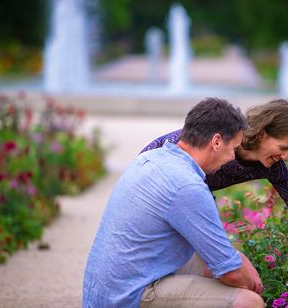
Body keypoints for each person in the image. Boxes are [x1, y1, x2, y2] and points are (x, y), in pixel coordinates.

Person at [83, 98, 265, 308]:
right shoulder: (187, 185)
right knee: (248, 302)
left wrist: (237, 257)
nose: (233, 157)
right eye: (233, 148)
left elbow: (218, 257)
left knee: (210, 264)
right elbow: (231, 273)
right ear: (216, 142)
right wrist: (250, 284)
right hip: (128, 297)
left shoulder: (151, 158)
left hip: (106, 292)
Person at [141, 98, 288, 252]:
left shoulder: (271, 165)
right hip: (157, 192)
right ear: (262, 134)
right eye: (283, 147)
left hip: (191, 199)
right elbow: (155, 155)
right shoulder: (225, 139)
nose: (285, 157)